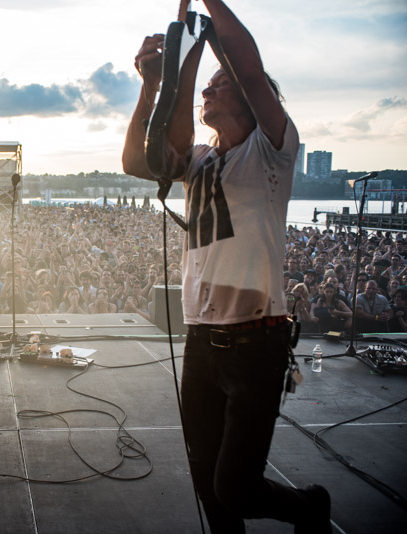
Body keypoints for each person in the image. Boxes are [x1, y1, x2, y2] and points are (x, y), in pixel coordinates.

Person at [122, 1, 330, 532]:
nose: (208, 92)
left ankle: (309, 507)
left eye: (220, 85)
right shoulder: (198, 160)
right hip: (200, 339)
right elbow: (138, 161)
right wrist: (155, 82)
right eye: (207, 86)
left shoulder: (271, 149)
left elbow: (250, 69)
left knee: (235, 487)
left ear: (248, 99)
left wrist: (208, 22)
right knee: (207, 481)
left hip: (256, 341)